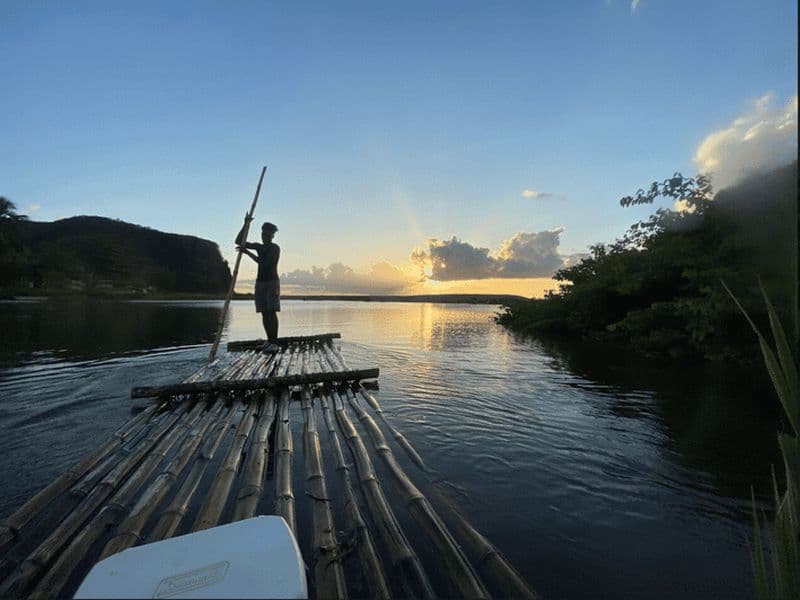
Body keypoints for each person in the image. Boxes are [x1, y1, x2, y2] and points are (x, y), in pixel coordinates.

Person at [236, 218, 281, 352]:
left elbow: (264, 263)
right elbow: (239, 241)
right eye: (263, 234)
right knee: (264, 312)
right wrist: (246, 224)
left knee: (271, 312)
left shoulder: (274, 248)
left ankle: (275, 343)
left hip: (272, 282)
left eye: (267, 234)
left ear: (272, 236)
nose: (264, 237)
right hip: (260, 282)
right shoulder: (259, 246)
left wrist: (247, 252)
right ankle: (269, 340)